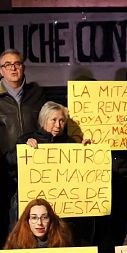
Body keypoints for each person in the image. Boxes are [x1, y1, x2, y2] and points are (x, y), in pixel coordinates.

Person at [0, 49, 46, 245]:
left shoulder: (38, 94)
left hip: (35, 170)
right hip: (4, 172)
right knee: (6, 224)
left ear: (23, 67)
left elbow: (48, 126)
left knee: (36, 221)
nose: (13, 68)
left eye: (17, 64)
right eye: (8, 65)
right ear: (1, 70)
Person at [15, 101, 94, 244]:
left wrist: (86, 152)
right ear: (43, 120)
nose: (58, 125)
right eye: (54, 120)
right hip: (36, 211)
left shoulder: (70, 143)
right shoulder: (27, 140)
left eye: (62, 121)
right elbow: (10, 164)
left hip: (64, 213)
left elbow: (81, 175)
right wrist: (23, 149)